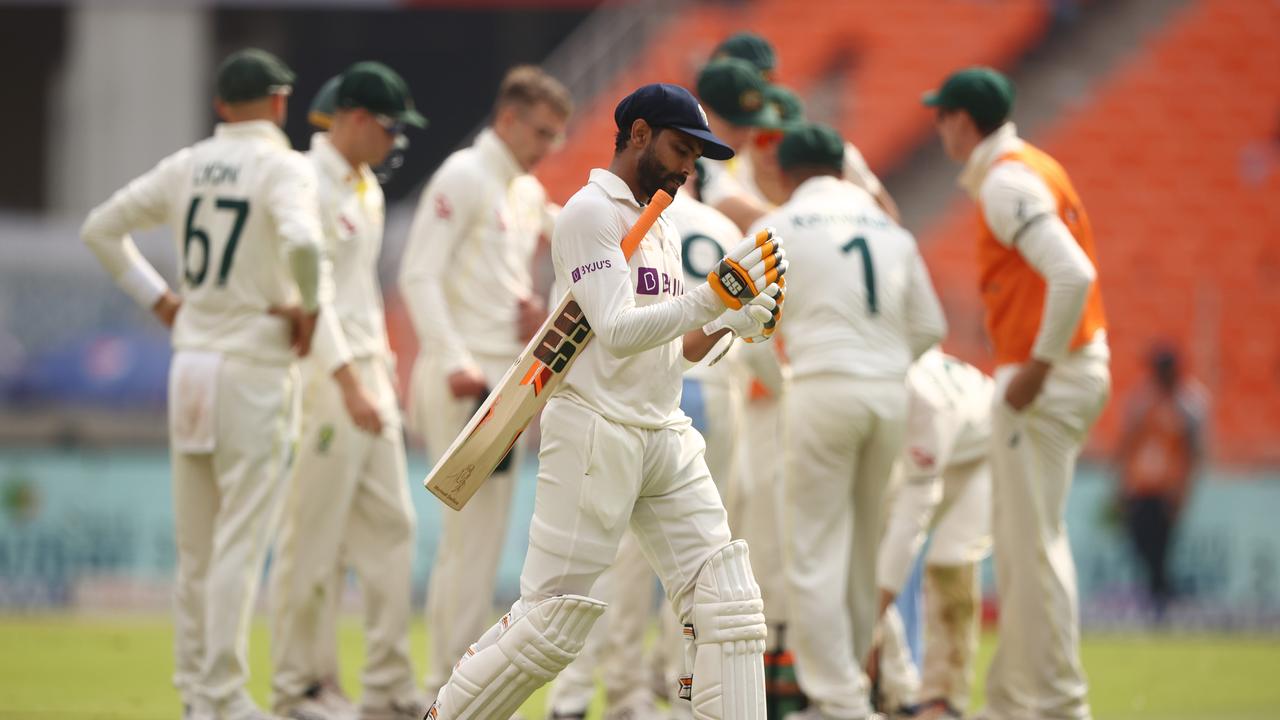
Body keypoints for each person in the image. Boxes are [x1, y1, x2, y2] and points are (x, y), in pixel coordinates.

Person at [428, 82, 786, 720]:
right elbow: (617, 331)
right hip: (595, 429)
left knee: (727, 605)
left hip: (665, 430)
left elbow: (674, 345)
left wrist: (735, 320)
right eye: (680, 149)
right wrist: (712, 298)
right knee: (550, 624)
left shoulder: (663, 221)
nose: (686, 169)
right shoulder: (589, 213)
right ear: (640, 134)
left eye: (695, 159)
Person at [81, 48, 324, 720]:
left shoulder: (187, 164)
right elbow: (303, 245)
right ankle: (223, 697)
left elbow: (100, 229)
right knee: (240, 543)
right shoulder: (283, 166)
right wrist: (311, 307)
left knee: (196, 548)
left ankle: (196, 693)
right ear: (279, 103)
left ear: (221, 105)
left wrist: (160, 301)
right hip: (252, 365)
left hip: (190, 363)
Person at [925, 66, 1110, 720]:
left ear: (963, 120)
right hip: (1067, 369)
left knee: (1032, 550)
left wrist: (1037, 365)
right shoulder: (1031, 166)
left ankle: (1062, 706)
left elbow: (1072, 273)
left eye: (942, 115)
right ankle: (1009, 704)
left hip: (1047, 378)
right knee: (1025, 545)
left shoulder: (1004, 182)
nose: (937, 126)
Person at [543, 161, 748, 720]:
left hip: (647, 392)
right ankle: (670, 689)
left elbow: (574, 320)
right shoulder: (704, 229)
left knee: (619, 565)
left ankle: (612, 692)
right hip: (704, 390)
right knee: (696, 572)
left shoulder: (650, 225)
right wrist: (731, 323)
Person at [755, 122, 946, 720]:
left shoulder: (780, 224)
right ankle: (855, 686)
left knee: (813, 550)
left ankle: (836, 700)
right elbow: (932, 326)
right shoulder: (890, 229)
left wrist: (783, 376)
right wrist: (885, 365)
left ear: (785, 174)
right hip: (886, 395)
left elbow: (750, 322)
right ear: (842, 168)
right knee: (864, 549)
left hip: (821, 388)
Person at [398, 65, 572, 698]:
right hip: (467, 381)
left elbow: (575, 242)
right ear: (507, 119)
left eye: (557, 135)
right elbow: (419, 275)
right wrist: (452, 363)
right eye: (541, 132)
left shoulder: (521, 191)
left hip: (507, 382)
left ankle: (452, 678)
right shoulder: (465, 176)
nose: (549, 146)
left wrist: (539, 304)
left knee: (484, 538)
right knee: (469, 540)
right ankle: (444, 683)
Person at [268, 62, 428, 720]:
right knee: (314, 537)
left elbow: (359, 293)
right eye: (388, 128)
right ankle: (298, 687)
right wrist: (346, 381)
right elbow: (315, 294)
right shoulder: (305, 182)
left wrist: (382, 372)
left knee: (393, 527)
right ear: (356, 118)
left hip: (369, 375)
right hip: (328, 381)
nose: (395, 143)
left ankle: (387, 685)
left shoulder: (365, 188)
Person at [871, 349, 994, 719]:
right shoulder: (874, 382)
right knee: (867, 558)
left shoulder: (927, 407)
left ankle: (943, 701)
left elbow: (911, 523)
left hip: (986, 450)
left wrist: (871, 620)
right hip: (945, 444)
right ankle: (895, 690)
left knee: (949, 562)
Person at [1114, 346, 1205, 620]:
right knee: (1140, 545)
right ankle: (1160, 599)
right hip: (1140, 487)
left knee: (1161, 549)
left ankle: (1161, 604)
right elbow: (1128, 443)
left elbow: (1194, 453)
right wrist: (1121, 484)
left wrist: (1183, 491)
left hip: (1167, 489)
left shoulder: (1188, 404)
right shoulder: (1143, 400)